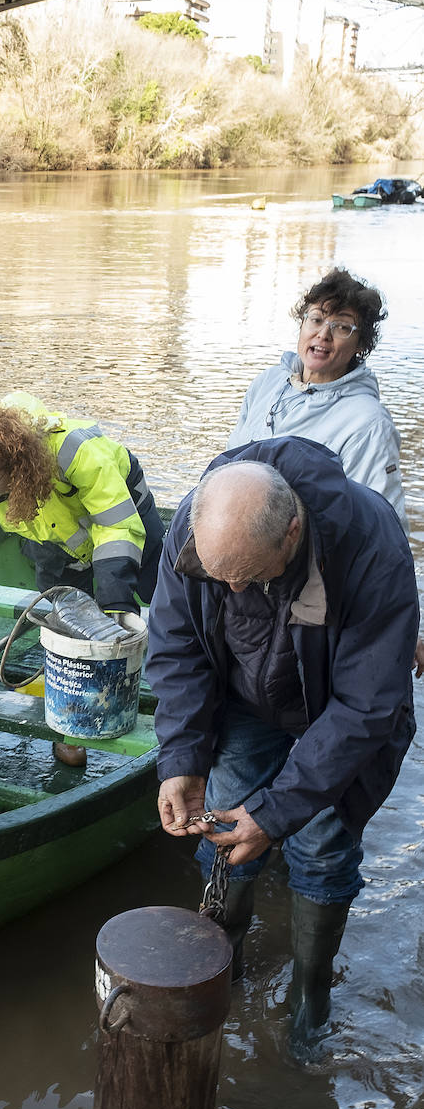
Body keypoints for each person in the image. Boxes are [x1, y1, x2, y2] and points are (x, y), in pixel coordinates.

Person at [146, 438, 417, 1060]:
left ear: (292, 530)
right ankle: (224, 963)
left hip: (336, 708)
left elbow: (366, 706)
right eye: (221, 576)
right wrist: (182, 757)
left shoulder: (371, 546)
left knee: (320, 843)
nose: (233, 586)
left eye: (247, 573)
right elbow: (177, 645)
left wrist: (277, 813)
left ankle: (310, 997)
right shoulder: (198, 526)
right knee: (222, 817)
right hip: (247, 700)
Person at [0, 391, 165, 764]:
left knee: (160, 596)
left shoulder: (77, 452)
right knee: (69, 624)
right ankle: (73, 730)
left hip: (124, 516)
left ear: (20, 471)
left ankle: (171, 694)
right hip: (53, 539)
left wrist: (115, 605)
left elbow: (116, 526)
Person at [228, 266, 423, 675]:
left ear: (360, 345)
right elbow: (225, 474)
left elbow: (384, 528)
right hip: (238, 578)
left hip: (301, 590)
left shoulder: (367, 423)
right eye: (316, 319)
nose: (323, 335)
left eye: (342, 327)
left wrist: (408, 627)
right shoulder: (266, 384)